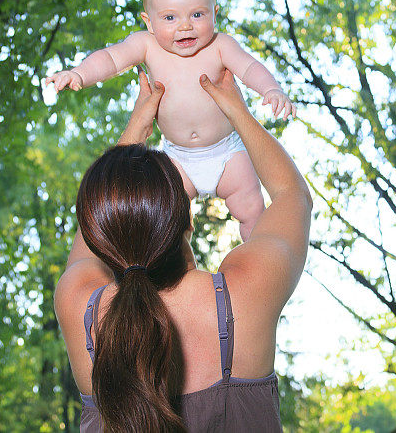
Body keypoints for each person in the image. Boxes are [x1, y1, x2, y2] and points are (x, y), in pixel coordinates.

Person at [54, 66, 312, 432]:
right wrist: (237, 110)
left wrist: (136, 132)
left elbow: (97, 227)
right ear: (187, 221)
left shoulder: (81, 310)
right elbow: (293, 196)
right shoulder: (244, 294)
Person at [45, 0, 296, 240]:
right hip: (177, 157)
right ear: (149, 23)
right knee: (167, 225)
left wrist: (271, 89)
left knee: (252, 210)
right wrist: (80, 73)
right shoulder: (146, 46)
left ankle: (255, 260)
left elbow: (250, 68)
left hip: (227, 152)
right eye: (169, 18)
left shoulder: (220, 45)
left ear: (215, 13)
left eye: (197, 14)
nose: (185, 26)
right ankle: (178, 274)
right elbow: (111, 58)